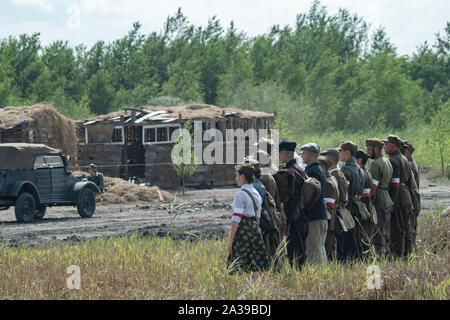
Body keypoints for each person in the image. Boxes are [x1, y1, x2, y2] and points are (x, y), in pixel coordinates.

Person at [227, 164, 270, 274]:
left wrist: (231, 240)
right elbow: (258, 217)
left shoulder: (240, 194)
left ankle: (244, 289)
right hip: (255, 228)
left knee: (239, 263)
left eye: (237, 175)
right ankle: (255, 287)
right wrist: (257, 231)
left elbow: (236, 218)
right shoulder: (256, 192)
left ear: (242, 176)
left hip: (243, 228)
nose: (235, 178)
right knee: (255, 262)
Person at [277, 140, 309, 269]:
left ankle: (298, 279)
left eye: (279, 153)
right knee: (300, 249)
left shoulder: (291, 172)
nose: (278, 155)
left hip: (295, 218)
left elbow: (291, 200)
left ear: (286, 153)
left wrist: (288, 222)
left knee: (294, 252)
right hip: (303, 216)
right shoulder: (300, 169)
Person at [383, 135, 414, 258]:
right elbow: (411, 182)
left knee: (397, 230)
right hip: (406, 196)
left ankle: (397, 257)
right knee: (406, 229)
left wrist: (393, 202)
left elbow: (395, 183)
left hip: (399, 198)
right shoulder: (404, 158)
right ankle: (407, 255)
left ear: (394, 145)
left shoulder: (393, 160)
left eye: (387, 144)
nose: (385, 146)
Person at [300, 143, 328, 264]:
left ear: (311, 155)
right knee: (320, 248)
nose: (301, 155)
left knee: (313, 250)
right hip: (321, 213)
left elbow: (309, 196)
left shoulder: (311, 171)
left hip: (313, 215)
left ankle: (319, 277)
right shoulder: (319, 169)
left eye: (304, 153)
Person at [365, 138, 394, 258]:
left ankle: (380, 255)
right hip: (387, 197)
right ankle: (385, 254)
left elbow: (374, 186)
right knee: (385, 230)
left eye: (369, 148)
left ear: (376, 148)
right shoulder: (387, 161)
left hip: (379, 199)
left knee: (379, 230)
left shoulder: (376, 164)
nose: (367, 151)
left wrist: (369, 201)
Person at [320, 148, 349, 262]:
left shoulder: (334, 176)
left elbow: (341, 199)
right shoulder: (337, 174)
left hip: (333, 213)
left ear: (331, 159)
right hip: (336, 212)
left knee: (329, 245)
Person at [339, 141, 364, 262]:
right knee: (356, 234)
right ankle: (358, 258)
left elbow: (345, 189)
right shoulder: (359, 168)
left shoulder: (345, 169)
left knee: (347, 235)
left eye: (341, 151)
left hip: (348, 205)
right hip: (358, 204)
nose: (340, 154)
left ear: (347, 152)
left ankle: (349, 260)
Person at [355, 150, 377, 257]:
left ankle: (366, 258)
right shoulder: (367, 172)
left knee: (364, 236)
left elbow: (365, 195)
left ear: (359, 160)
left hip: (365, 207)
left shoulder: (363, 173)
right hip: (368, 207)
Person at [318, 155, 339, 260]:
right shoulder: (332, 179)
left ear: (323, 167)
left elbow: (328, 207)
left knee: (326, 248)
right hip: (332, 220)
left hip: (329, 221)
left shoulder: (327, 182)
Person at [402, 141, 421, 249]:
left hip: (412, 198)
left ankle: (411, 250)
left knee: (410, 226)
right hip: (414, 197)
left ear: (408, 152)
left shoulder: (409, 165)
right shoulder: (411, 163)